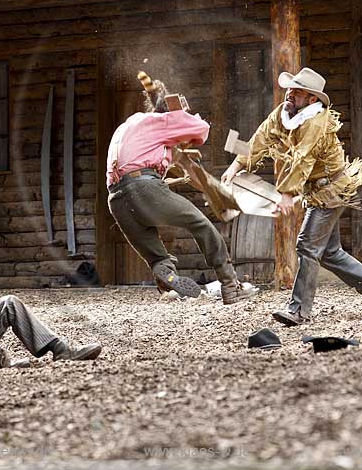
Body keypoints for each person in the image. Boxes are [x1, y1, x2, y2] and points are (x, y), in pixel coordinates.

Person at [222, 67, 362, 326]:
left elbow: (302, 160)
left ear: (312, 99)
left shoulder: (315, 121)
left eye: (298, 92)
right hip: (316, 189)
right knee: (329, 252)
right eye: (291, 89)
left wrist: (286, 193)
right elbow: (260, 138)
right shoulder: (284, 113)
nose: (290, 94)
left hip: (331, 189)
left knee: (306, 245)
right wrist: (236, 165)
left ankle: (299, 310)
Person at [106, 76, 258, 305]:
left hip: (117, 198)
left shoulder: (128, 126)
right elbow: (201, 130)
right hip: (144, 188)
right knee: (200, 224)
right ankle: (230, 285)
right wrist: (186, 117)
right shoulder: (162, 121)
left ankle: (166, 276)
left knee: (156, 255)